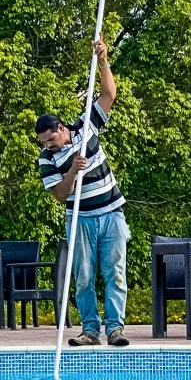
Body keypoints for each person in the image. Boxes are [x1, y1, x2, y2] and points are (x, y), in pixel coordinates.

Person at [35, 36, 130, 347]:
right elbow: (60, 195)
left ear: (61, 128)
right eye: (44, 143)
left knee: (114, 273)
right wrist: (74, 170)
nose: (48, 146)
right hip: (80, 219)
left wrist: (103, 59)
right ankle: (91, 330)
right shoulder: (47, 160)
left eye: (50, 140)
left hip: (111, 213)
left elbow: (108, 94)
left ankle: (115, 329)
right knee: (85, 278)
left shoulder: (85, 125)